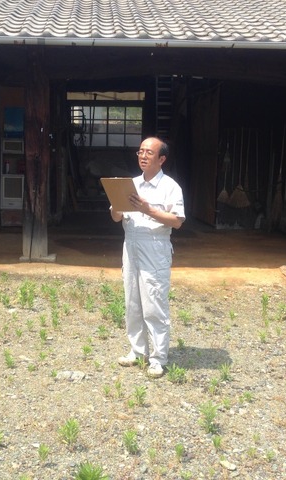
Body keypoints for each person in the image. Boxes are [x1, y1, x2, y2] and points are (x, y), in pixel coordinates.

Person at [110, 137, 185, 378]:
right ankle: (137, 350)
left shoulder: (171, 187)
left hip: (155, 247)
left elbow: (177, 221)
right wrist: (116, 206)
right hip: (131, 244)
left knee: (154, 302)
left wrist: (147, 209)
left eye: (149, 153)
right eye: (140, 151)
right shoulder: (130, 184)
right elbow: (116, 218)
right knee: (132, 301)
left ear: (161, 159)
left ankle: (158, 358)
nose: (143, 156)